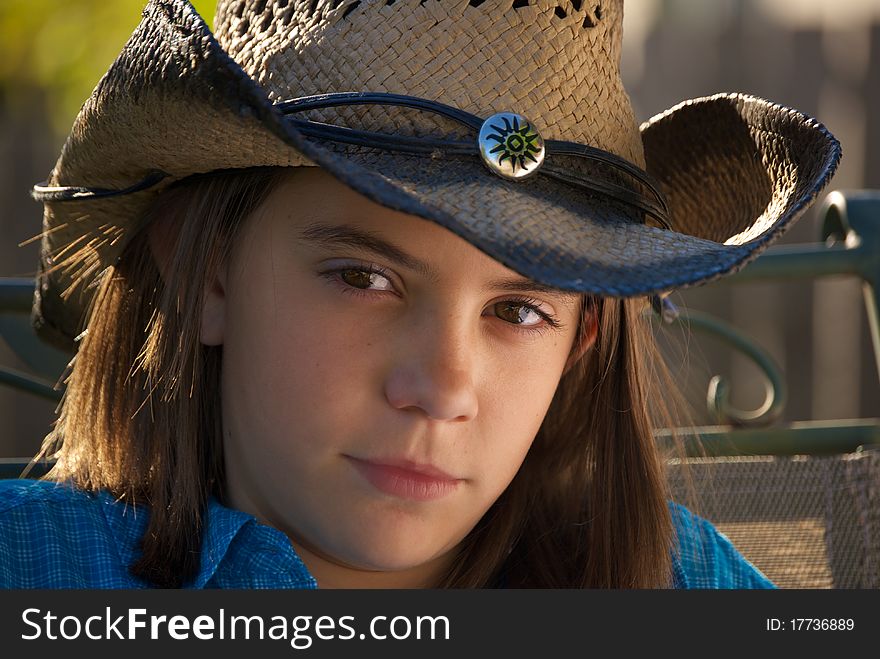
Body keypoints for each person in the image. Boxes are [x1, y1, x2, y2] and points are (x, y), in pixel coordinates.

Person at [0, 0, 839, 589]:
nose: (439, 389)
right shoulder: (31, 564)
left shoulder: (677, 585)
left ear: (580, 341)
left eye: (517, 310)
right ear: (205, 267)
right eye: (364, 278)